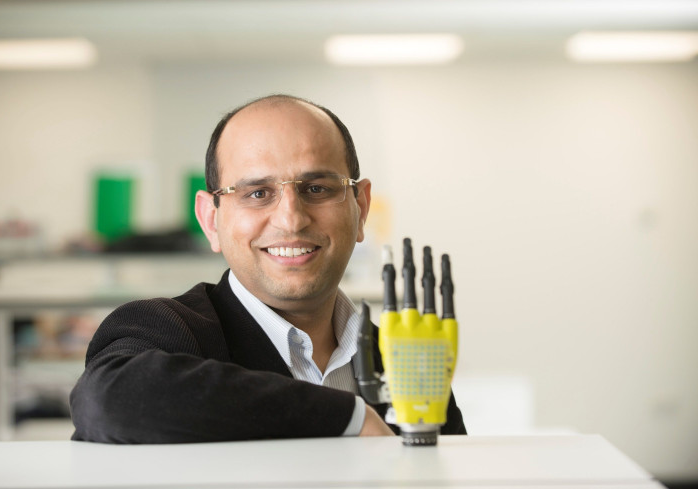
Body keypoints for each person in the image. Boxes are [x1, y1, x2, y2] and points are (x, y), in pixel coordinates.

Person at [69, 94, 466, 443]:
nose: (291, 220)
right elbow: (108, 400)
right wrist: (349, 417)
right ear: (211, 220)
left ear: (360, 208)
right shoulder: (167, 330)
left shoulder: (406, 363)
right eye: (257, 193)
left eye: (317, 189)